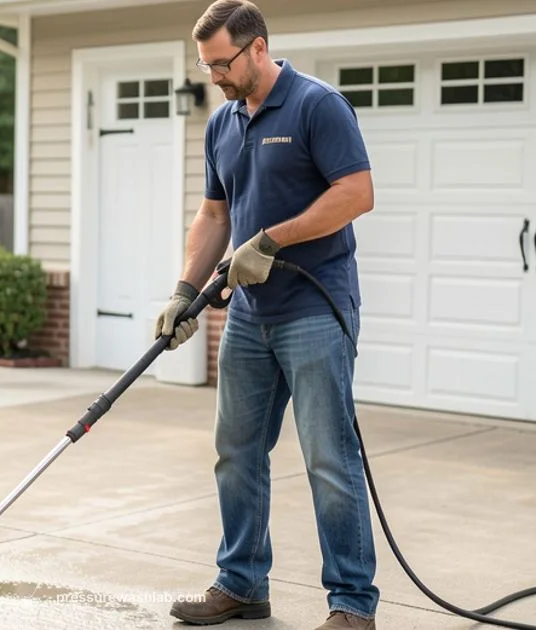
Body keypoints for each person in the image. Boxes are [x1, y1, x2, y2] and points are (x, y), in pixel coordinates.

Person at [154, 1, 379, 628]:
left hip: (315, 309)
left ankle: (352, 606)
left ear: (258, 48)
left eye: (221, 63)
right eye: (205, 66)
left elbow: (356, 193)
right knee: (237, 451)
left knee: (328, 458)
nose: (214, 77)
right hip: (250, 317)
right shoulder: (223, 123)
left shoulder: (316, 105)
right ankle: (242, 584)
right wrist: (182, 290)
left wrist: (274, 240)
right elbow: (215, 215)